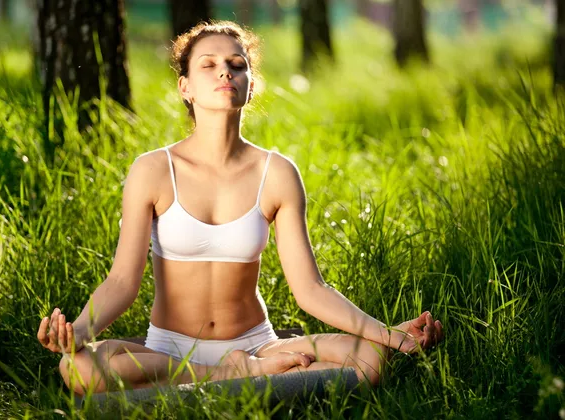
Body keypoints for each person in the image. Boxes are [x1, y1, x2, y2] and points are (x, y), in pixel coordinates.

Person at [37, 20, 444, 396]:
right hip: (171, 349)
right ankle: (229, 376)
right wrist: (76, 331)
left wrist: (390, 334)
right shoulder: (153, 170)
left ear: (251, 85)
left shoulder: (277, 173)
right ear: (185, 87)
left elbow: (311, 289)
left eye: (236, 64)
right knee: (79, 368)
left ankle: (244, 368)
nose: (224, 72)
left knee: (371, 359)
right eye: (208, 64)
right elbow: (122, 282)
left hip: (257, 342)